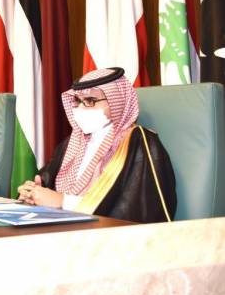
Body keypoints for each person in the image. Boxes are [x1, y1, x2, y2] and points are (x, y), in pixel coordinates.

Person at [17, 67, 177, 223]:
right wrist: (32, 192)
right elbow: (47, 183)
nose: (80, 108)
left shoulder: (140, 143)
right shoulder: (71, 143)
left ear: (117, 102)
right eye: (78, 101)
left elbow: (141, 210)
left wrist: (63, 202)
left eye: (90, 101)